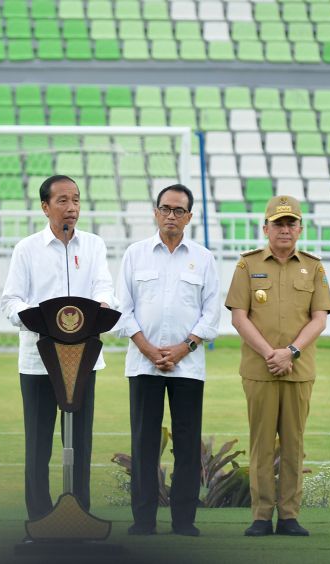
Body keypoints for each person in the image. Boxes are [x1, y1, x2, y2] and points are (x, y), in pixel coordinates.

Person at [1, 175, 116, 523]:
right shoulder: (26, 249)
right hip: (39, 361)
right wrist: (41, 320)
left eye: (76, 200)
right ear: (45, 207)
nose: (72, 208)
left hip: (83, 361)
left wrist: (95, 311)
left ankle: (80, 514)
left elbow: (106, 292)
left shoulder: (94, 246)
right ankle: (38, 518)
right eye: (63, 200)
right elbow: (11, 302)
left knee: (81, 442)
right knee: (38, 445)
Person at [225, 195, 330, 537]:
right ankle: (260, 516)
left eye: (291, 223)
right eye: (278, 223)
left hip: (298, 371)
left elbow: (319, 319)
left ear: (300, 229)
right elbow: (239, 317)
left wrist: (290, 352)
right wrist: (270, 353)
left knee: (293, 443)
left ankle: (288, 515)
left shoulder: (314, 267)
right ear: (265, 228)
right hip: (260, 370)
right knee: (261, 444)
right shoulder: (247, 265)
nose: (284, 230)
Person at [116, 184, 220, 537]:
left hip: (187, 366)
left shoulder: (204, 258)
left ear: (189, 216)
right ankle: (143, 521)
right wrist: (146, 347)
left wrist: (183, 347)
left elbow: (211, 314)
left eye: (179, 210)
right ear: (155, 212)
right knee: (144, 443)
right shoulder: (135, 254)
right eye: (165, 209)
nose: (171, 216)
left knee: (188, 444)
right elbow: (122, 310)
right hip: (143, 364)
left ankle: (183, 521)